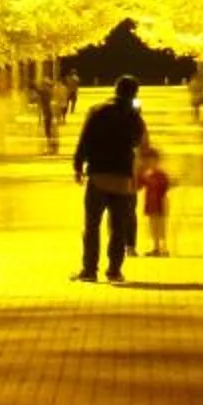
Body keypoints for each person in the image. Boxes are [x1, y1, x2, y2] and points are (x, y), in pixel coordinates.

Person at [69, 76, 148, 283]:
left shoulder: (97, 111)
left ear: (115, 89)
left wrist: (78, 165)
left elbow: (84, 139)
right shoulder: (133, 116)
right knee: (118, 225)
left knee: (92, 225)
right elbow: (138, 141)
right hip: (121, 175)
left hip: (98, 174)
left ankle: (89, 270)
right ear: (134, 93)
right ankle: (114, 270)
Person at [136, 145, 172, 258]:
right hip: (151, 204)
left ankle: (163, 247)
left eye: (152, 160)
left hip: (160, 203)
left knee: (161, 226)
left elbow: (165, 186)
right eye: (148, 160)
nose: (150, 163)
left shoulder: (160, 174)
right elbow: (139, 184)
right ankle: (156, 247)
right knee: (153, 226)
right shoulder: (147, 174)